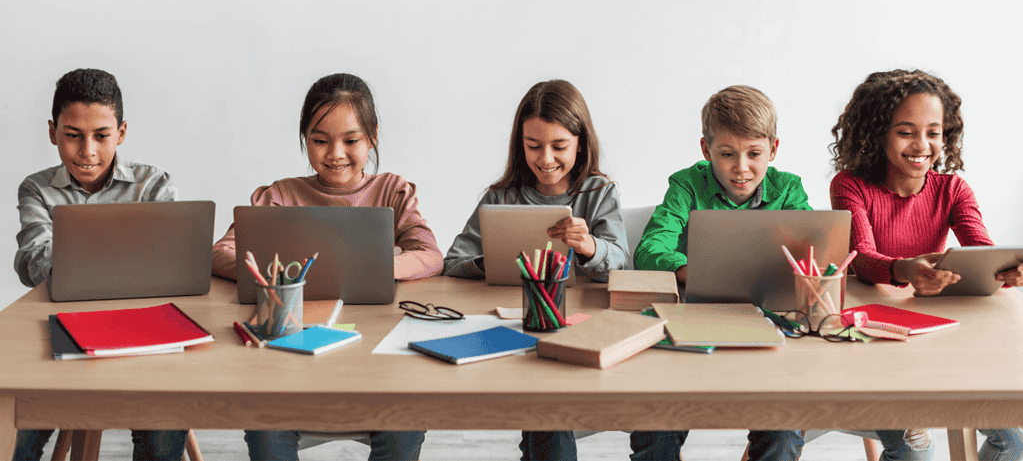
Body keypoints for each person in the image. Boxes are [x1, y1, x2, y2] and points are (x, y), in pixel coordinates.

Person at [211, 73, 441, 461]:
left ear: (373, 137)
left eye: (350, 141)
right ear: (305, 139)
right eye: (320, 141)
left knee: (405, 419)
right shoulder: (280, 195)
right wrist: (275, 277)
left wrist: (375, 266)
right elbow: (222, 251)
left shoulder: (393, 190)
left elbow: (430, 254)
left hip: (376, 356)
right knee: (266, 425)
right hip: (290, 356)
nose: (335, 153)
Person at [830, 68, 1023, 461]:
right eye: (906, 131)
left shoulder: (952, 189)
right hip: (874, 343)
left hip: (939, 342)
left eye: (933, 132)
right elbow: (863, 260)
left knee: (1014, 441)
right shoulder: (851, 185)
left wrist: (1007, 270)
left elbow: (980, 249)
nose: (922, 144)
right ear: (876, 133)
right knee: (916, 448)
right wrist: (906, 270)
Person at [443, 79, 627, 461]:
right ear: (519, 145)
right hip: (518, 325)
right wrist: (493, 259)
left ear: (581, 142)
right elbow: (453, 261)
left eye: (559, 146)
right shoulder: (501, 196)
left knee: (551, 409)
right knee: (545, 409)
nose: (546, 159)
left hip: (584, 328)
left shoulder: (598, 193)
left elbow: (620, 260)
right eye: (533, 146)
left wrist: (590, 246)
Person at [13, 68, 188, 461]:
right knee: (17, 423)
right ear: (52, 132)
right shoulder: (36, 189)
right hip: (62, 328)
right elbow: (42, 265)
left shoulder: (153, 184)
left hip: (142, 330)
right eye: (72, 135)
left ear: (121, 133)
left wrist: (74, 256)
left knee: (162, 426)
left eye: (101, 136)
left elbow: (172, 264)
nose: (87, 150)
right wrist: (132, 255)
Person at [632, 84, 808, 460]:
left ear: (773, 150)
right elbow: (649, 251)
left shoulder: (789, 190)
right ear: (705, 149)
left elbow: (814, 253)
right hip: (693, 323)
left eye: (754, 154)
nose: (741, 168)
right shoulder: (686, 185)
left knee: (783, 429)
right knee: (655, 425)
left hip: (768, 326)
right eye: (727, 154)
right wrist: (693, 269)